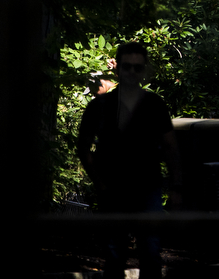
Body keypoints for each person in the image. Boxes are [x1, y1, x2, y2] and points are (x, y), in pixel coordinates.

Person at [76, 42, 182, 279]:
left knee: (151, 254)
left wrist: (176, 188)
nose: (132, 73)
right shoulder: (100, 106)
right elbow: (83, 148)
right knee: (114, 257)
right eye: (127, 67)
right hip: (113, 190)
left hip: (148, 188)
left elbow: (171, 147)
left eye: (137, 68)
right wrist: (100, 184)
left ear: (144, 70)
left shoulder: (154, 105)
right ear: (117, 69)